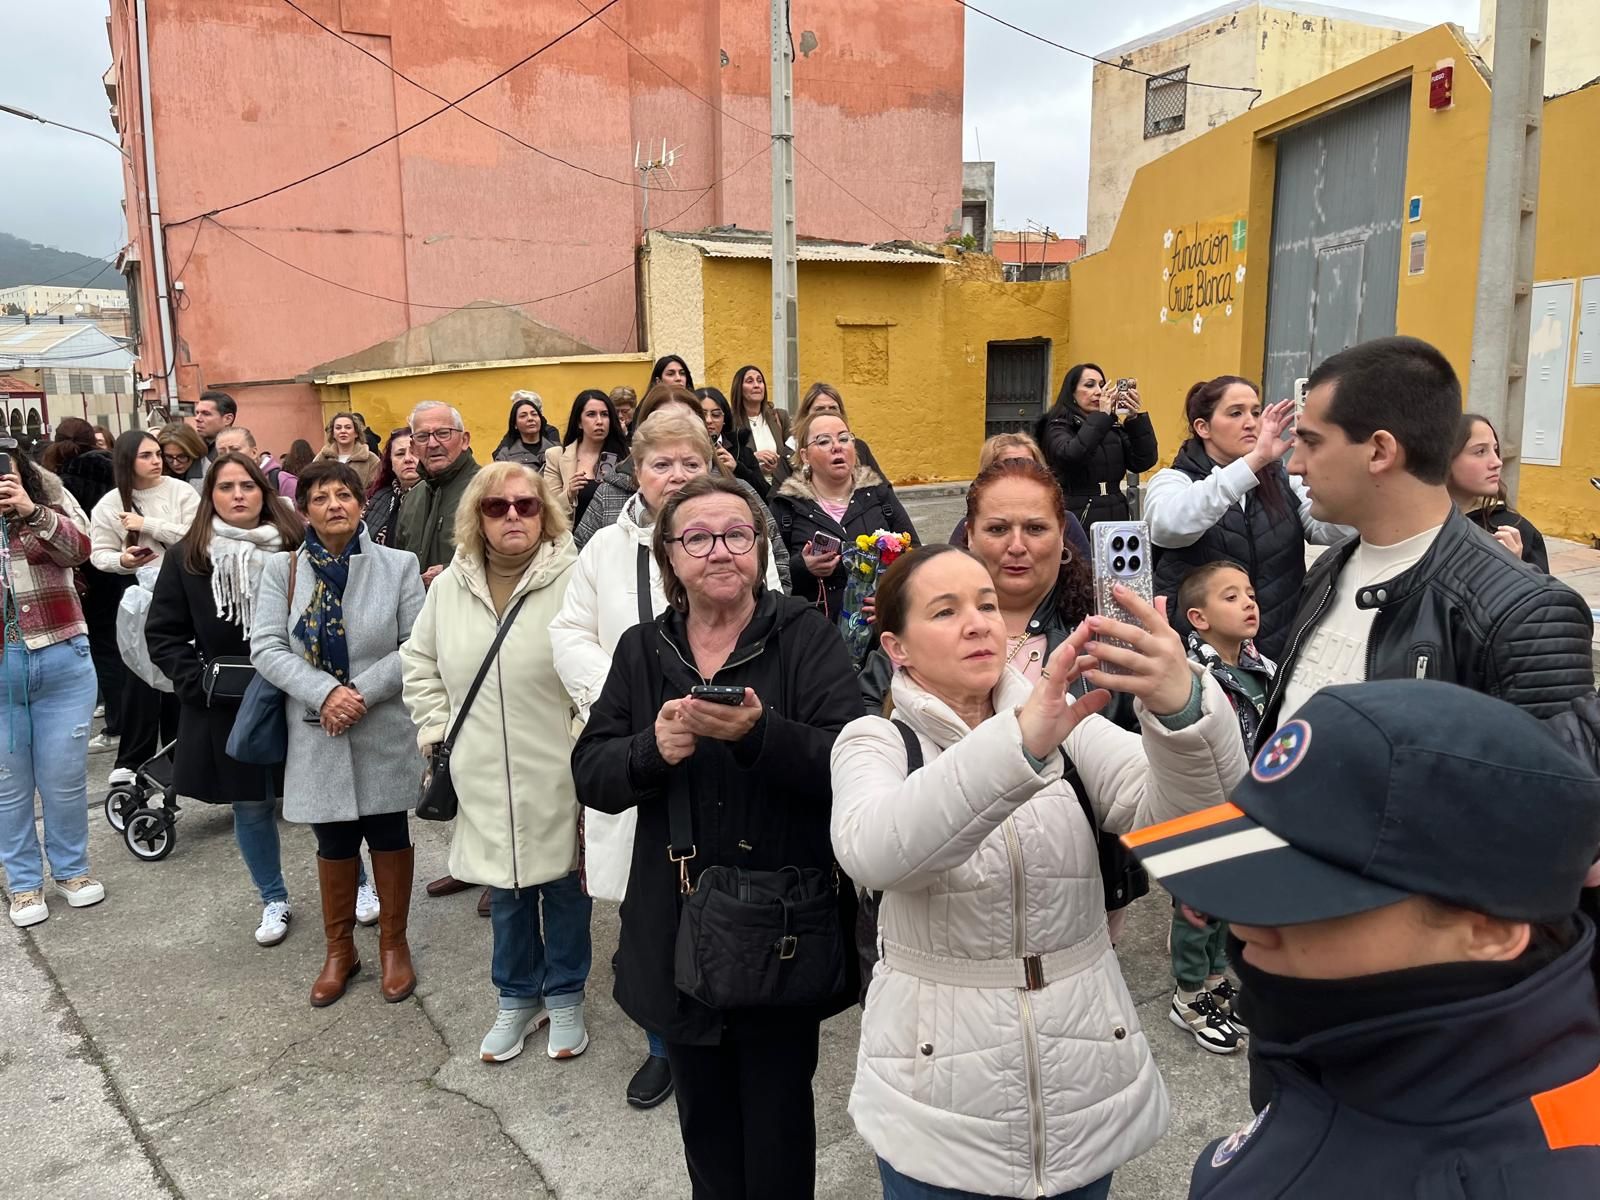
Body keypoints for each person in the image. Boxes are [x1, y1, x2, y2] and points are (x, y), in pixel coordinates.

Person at [830, 543, 1247, 1200]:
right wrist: (1019, 745)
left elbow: (1188, 825)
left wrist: (1183, 712)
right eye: (945, 611)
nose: (977, 622)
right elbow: (875, 849)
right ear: (897, 646)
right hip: (938, 1097)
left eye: (987, 604)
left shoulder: (1063, 723)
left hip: (1083, 1077)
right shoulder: (877, 739)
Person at [1123, 680, 1600, 1199]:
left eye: (1307, 894)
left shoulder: (1539, 1174)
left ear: (1489, 929)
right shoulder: (1343, 1037)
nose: (1242, 926)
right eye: (1255, 873)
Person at [572, 473, 862, 1199]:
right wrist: (650, 750)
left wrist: (760, 734)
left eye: (736, 534)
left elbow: (854, 758)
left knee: (778, 1128)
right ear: (670, 557)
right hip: (675, 925)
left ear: (759, 548)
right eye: (696, 538)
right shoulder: (643, 650)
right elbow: (591, 773)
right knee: (705, 1130)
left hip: (780, 923)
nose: (719, 551)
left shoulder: (803, 634)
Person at [551, 409, 785, 1109]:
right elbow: (570, 633)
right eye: (662, 464)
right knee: (653, 908)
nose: (676, 476)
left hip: (728, 739)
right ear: (639, 473)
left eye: (691, 463)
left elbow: (775, 618)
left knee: (732, 895)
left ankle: (738, 1022)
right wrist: (627, 697)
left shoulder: (741, 533)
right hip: (642, 745)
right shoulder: (604, 551)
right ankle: (666, 1043)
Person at [1263, 336, 1594, 737]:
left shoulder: (1524, 613)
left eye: (1311, 442)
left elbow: (1547, 788)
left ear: (1380, 451)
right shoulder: (1330, 567)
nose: (1294, 465)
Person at [402, 462, 591, 1061]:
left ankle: (565, 996)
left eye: (526, 505)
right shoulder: (449, 587)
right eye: (496, 506)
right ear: (476, 517)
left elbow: (601, 667)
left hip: (555, 767)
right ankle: (515, 997)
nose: (512, 515)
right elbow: (420, 662)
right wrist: (437, 732)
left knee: (563, 887)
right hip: (481, 768)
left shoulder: (575, 578)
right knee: (505, 891)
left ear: (546, 514)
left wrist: (581, 738)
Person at [250, 461, 426, 1007]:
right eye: (321, 497)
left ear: (360, 503)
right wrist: (326, 693)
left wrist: (360, 694)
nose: (334, 505)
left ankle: (394, 947)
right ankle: (340, 950)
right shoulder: (281, 573)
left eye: (344, 494)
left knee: (389, 833)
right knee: (334, 842)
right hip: (316, 728)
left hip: (382, 726)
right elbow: (266, 648)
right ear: (303, 510)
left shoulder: (398, 565)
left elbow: (417, 645)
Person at [145, 453, 305, 946]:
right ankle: (272, 897)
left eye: (248, 486)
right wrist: (197, 683)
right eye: (225, 487)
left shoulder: (296, 546)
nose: (238, 495)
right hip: (228, 701)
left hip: (300, 689)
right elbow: (163, 632)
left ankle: (357, 885)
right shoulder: (189, 555)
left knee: (322, 799)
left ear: (264, 492)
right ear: (210, 496)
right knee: (251, 806)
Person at [1145, 375, 1347, 660]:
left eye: (1255, 412)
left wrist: (1335, 463)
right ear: (1203, 428)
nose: (1251, 422)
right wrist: (1254, 462)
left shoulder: (1280, 478)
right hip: (1198, 655)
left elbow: (1327, 529)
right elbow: (1169, 527)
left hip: (1278, 646)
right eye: (1235, 413)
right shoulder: (1173, 480)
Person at [1161, 560, 1277, 1055]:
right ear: (1198, 618)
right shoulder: (1193, 676)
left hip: (1249, 806)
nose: (1248, 602)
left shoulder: (1259, 665)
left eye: (1249, 593)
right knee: (1197, 910)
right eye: (1230, 597)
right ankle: (1187, 995)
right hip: (1204, 810)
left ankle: (1212, 980)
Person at [0, 452, 102, 929]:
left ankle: (72, 872)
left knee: (63, 780)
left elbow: (81, 550)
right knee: (8, 786)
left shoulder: (46, 505)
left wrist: (30, 510)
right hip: (4, 671)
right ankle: (23, 884)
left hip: (63, 658)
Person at [571, 385, 793, 585]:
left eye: (686, 421)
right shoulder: (610, 496)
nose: (675, 430)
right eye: (662, 421)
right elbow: (579, 568)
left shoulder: (739, 492)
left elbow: (775, 565)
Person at [90, 431, 197, 786]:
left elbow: (197, 535)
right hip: (140, 596)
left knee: (180, 671)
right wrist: (123, 559)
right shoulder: (109, 503)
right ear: (127, 461)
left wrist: (146, 525)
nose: (157, 461)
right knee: (140, 675)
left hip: (186, 592)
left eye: (158, 454)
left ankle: (182, 757)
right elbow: (98, 553)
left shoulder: (180, 491)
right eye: (146, 455)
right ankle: (135, 759)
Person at [768, 411, 918, 621]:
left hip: (880, 635)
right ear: (804, 456)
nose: (837, 446)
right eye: (823, 441)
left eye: (844, 438)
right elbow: (769, 575)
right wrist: (803, 567)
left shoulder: (878, 494)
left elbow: (915, 555)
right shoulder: (787, 506)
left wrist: (891, 598)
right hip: (816, 632)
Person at [44, 418, 124, 752]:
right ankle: (128, 716)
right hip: (126, 563)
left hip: (89, 573)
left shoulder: (60, 484)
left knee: (104, 647)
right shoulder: (120, 472)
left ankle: (117, 721)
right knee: (125, 645)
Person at [1037, 362, 1158, 530]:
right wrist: (1102, 417)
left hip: (1116, 513)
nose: (1099, 392)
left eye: (1102, 385)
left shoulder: (1110, 424)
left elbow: (1143, 461)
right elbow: (1071, 455)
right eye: (1089, 385)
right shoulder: (1058, 425)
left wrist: (1134, 420)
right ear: (1072, 393)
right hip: (1079, 515)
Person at [947, 432, 1090, 560]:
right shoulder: (970, 526)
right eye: (997, 529)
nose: (1017, 547)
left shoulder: (1067, 521)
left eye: (1036, 528)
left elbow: (1087, 573)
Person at [1448, 411, 1548, 571]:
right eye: (1480, 451)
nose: (1497, 462)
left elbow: (1544, 595)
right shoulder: (1411, 526)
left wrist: (1516, 571)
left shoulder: (1516, 533)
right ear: (1445, 457)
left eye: (1495, 450)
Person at [395, 400, 480, 588]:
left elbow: (513, 558)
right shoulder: (411, 498)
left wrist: (452, 571)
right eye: (423, 436)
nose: (433, 444)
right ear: (414, 446)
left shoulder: (489, 489)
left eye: (443, 433)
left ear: (464, 440)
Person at [545, 389, 628, 526]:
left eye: (604, 414)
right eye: (591, 414)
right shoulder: (556, 456)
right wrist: (569, 494)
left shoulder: (625, 457)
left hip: (613, 541)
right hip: (573, 543)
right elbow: (549, 512)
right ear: (579, 422)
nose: (599, 421)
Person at [772, 382, 883, 484]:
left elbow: (884, 492)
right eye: (819, 409)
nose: (827, 413)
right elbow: (778, 500)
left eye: (833, 408)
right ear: (805, 415)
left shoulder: (859, 447)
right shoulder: (790, 452)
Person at [697, 387, 767, 498]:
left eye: (715, 415)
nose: (709, 420)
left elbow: (766, 494)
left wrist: (738, 468)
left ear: (724, 419)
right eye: (702, 414)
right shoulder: (682, 450)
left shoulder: (741, 450)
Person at [729, 364, 790, 484]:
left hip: (779, 487)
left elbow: (794, 452)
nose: (756, 385)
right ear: (739, 388)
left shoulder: (780, 417)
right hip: (750, 488)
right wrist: (753, 458)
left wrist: (779, 462)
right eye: (749, 381)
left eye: (760, 381)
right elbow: (728, 458)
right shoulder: (730, 422)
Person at [361, 428, 421, 547]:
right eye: (400, 454)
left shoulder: (435, 496)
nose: (408, 459)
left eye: (415, 453)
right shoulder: (377, 498)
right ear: (391, 463)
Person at [216, 426, 297, 503]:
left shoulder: (284, 481)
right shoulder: (216, 483)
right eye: (221, 453)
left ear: (254, 452)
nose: (228, 456)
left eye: (235, 449)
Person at [313, 412, 381, 493]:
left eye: (348, 427)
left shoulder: (371, 460)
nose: (343, 431)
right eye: (338, 428)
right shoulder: (322, 458)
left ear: (356, 433)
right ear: (333, 433)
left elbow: (378, 490)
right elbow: (312, 485)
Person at [491, 390, 560, 470]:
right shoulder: (505, 454)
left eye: (534, 414)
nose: (530, 418)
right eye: (523, 415)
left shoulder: (557, 448)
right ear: (515, 423)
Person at [157, 421, 209, 491]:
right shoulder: (157, 472)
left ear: (194, 452)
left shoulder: (209, 475)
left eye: (182, 457)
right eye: (169, 457)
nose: (175, 463)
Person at [192, 389, 237, 461]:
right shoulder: (194, 450)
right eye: (197, 413)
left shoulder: (237, 453)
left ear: (228, 419)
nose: (197, 418)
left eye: (206, 414)